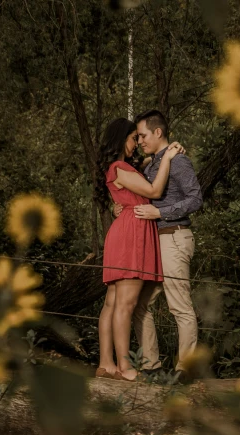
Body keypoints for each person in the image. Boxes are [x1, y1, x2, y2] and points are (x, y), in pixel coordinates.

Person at [114, 110, 203, 383]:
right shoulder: (152, 165)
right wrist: (123, 208)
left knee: (179, 306)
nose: (139, 141)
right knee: (141, 304)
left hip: (174, 237)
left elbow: (195, 199)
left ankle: (185, 371)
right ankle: (151, 366)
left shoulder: (179, 162)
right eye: (137, 137)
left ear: (158, 132)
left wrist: (161, 214)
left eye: (142, 135)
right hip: (153, 242)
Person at [95, 117, 184, 381]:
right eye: (134, 138)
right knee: (126, 303)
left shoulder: (120, 167)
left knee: (112, 303)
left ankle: (106, 364)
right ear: (122, 138)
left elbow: (137, 176)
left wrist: (152, 160)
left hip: (124, 230)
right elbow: (155, 190)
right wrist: (167, 157)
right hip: (131, 234)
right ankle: (126, 368)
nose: (137, 143)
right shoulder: (120, 167)